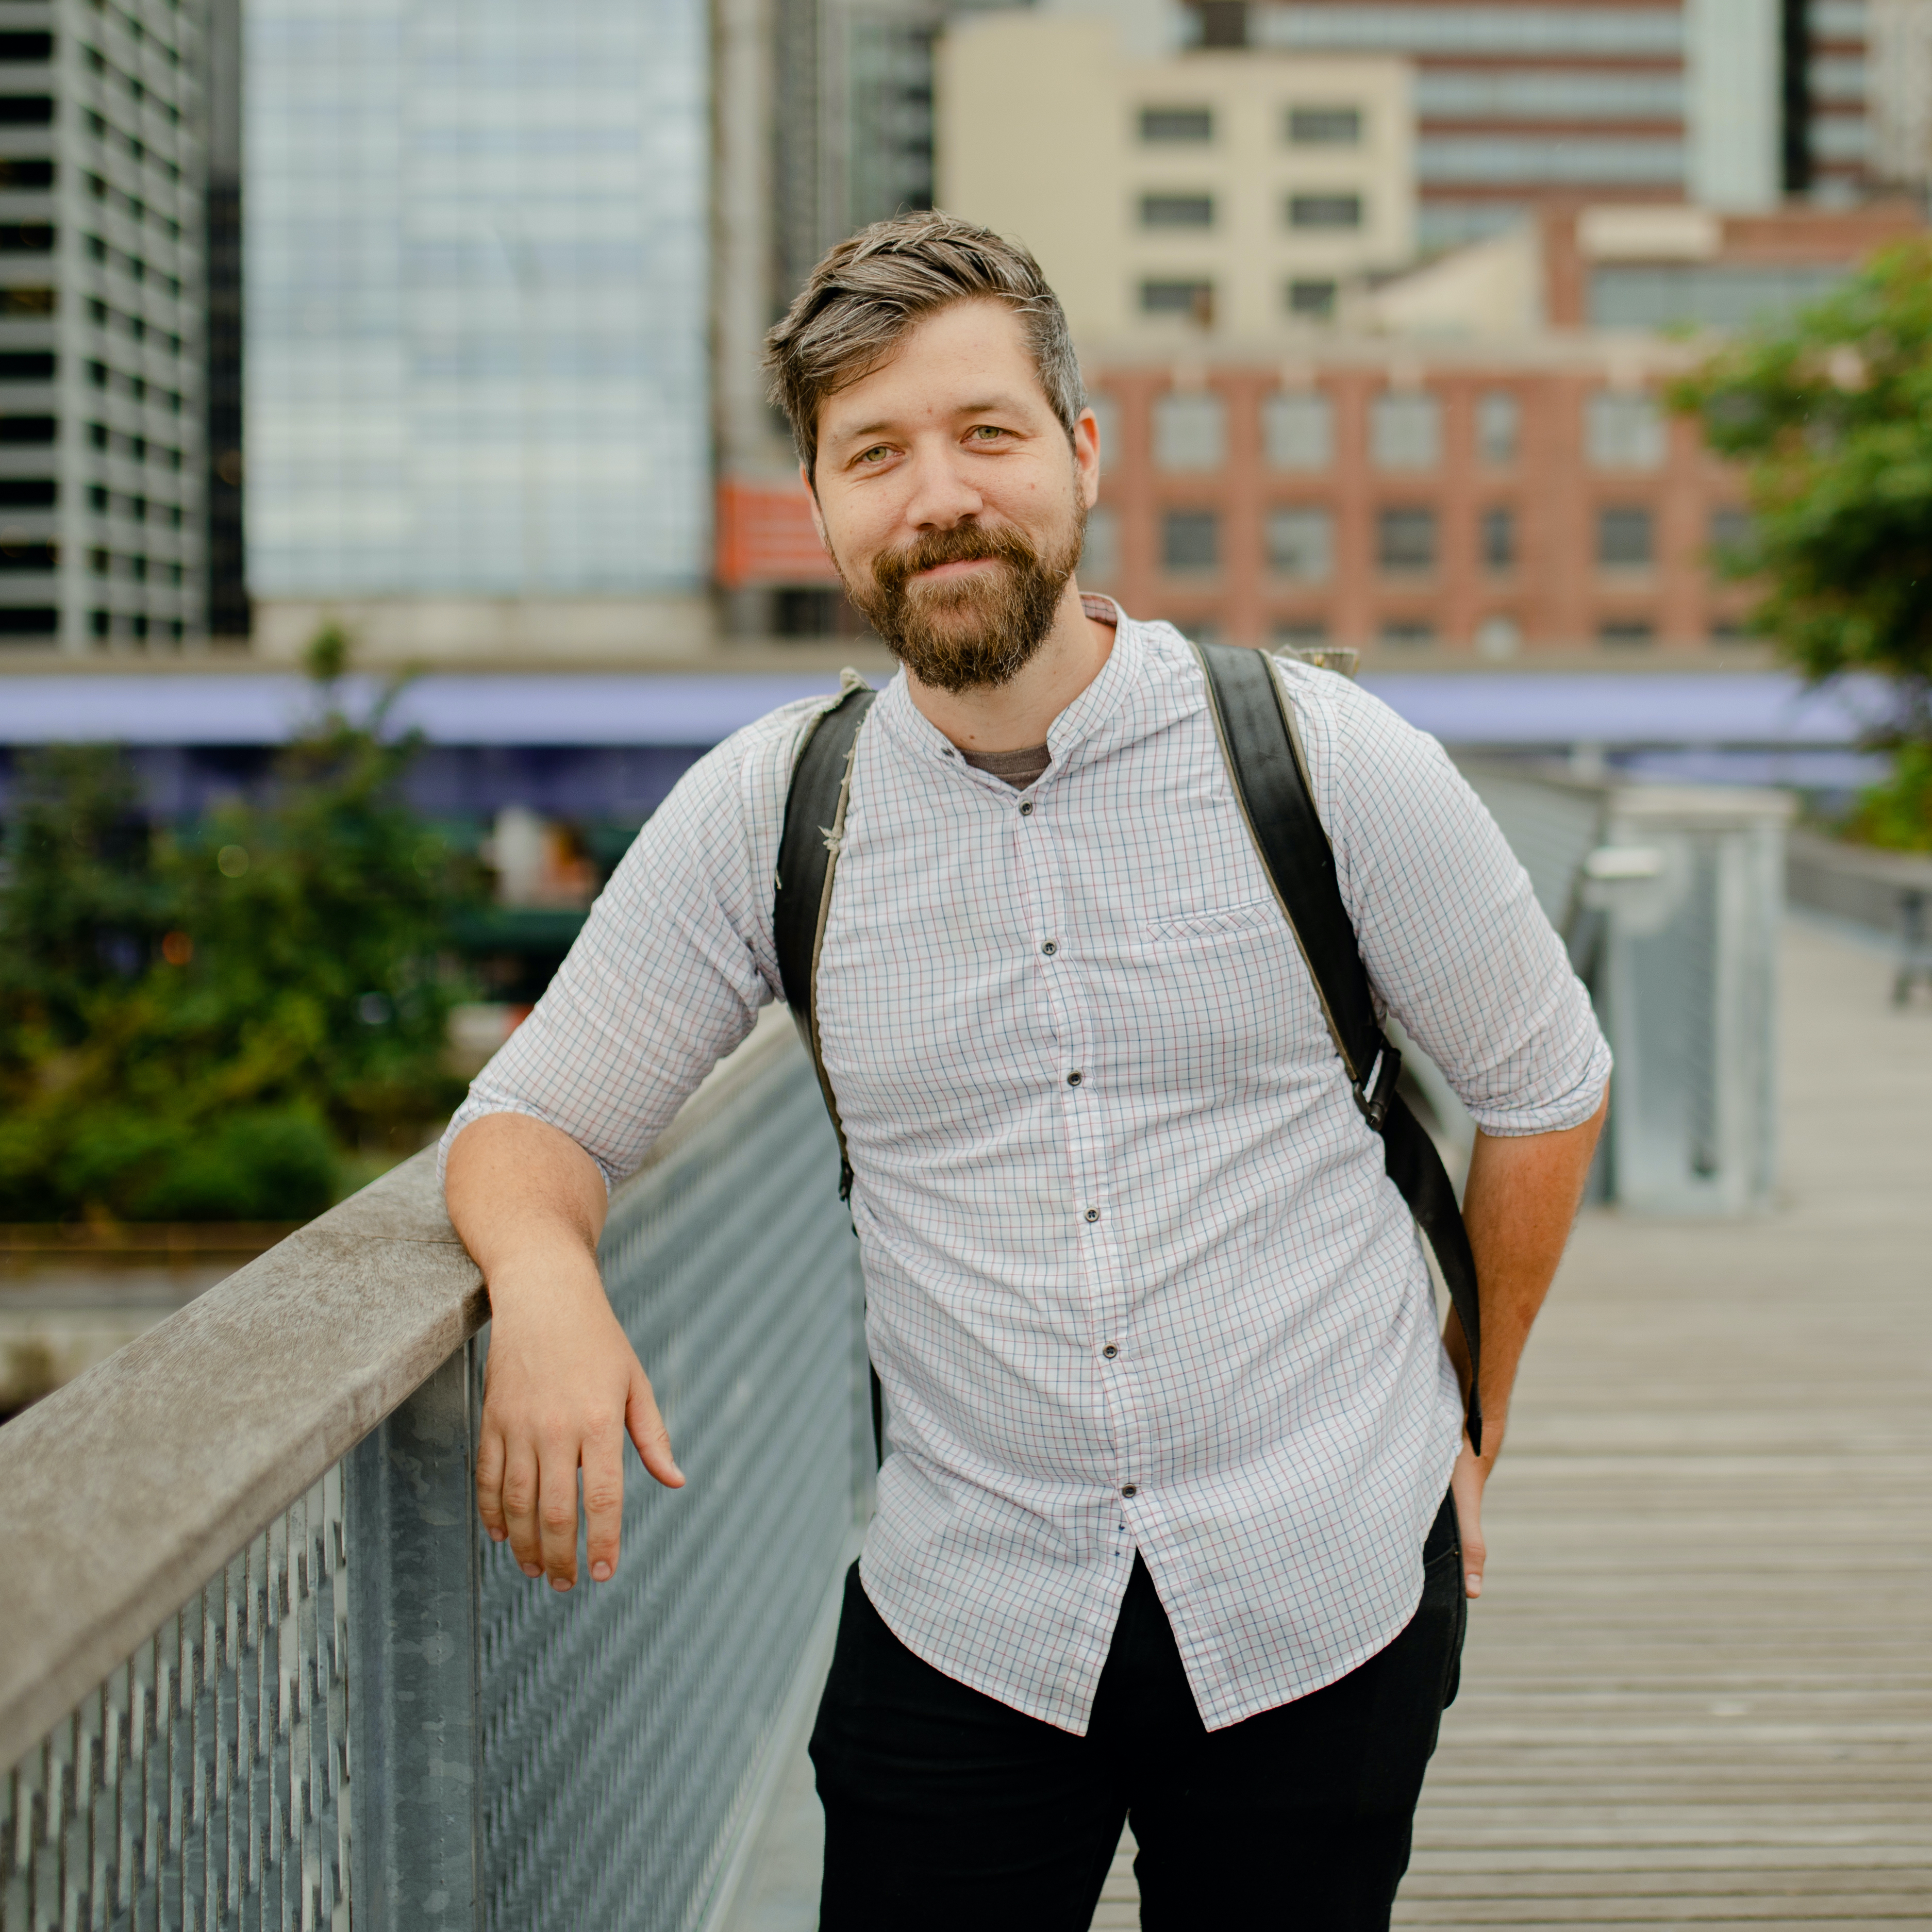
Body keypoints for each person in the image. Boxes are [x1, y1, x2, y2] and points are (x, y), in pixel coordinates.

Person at [440, 212, 1610, 1929]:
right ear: (824, 504)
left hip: (1326, 1577)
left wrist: (1470, 1421)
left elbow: (1542, 1082)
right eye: (875, 454)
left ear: (1076, 452)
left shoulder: (1325, 757)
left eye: (985, 432)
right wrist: (543, 1280)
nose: (937, 496)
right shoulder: (772, 811)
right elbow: (531, 1113)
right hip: (967, 1611)